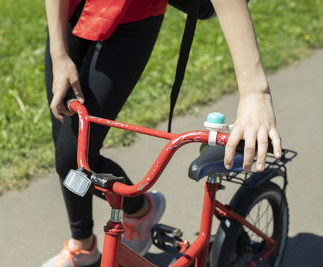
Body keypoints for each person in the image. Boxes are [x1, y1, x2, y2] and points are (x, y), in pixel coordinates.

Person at [42, 0, 282, 266]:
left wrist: (255, 93)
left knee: (72, 156)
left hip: (130, 17)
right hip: (69, 11)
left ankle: (136, 211)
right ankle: (85, 243)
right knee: (68, 150)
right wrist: (58, 53)